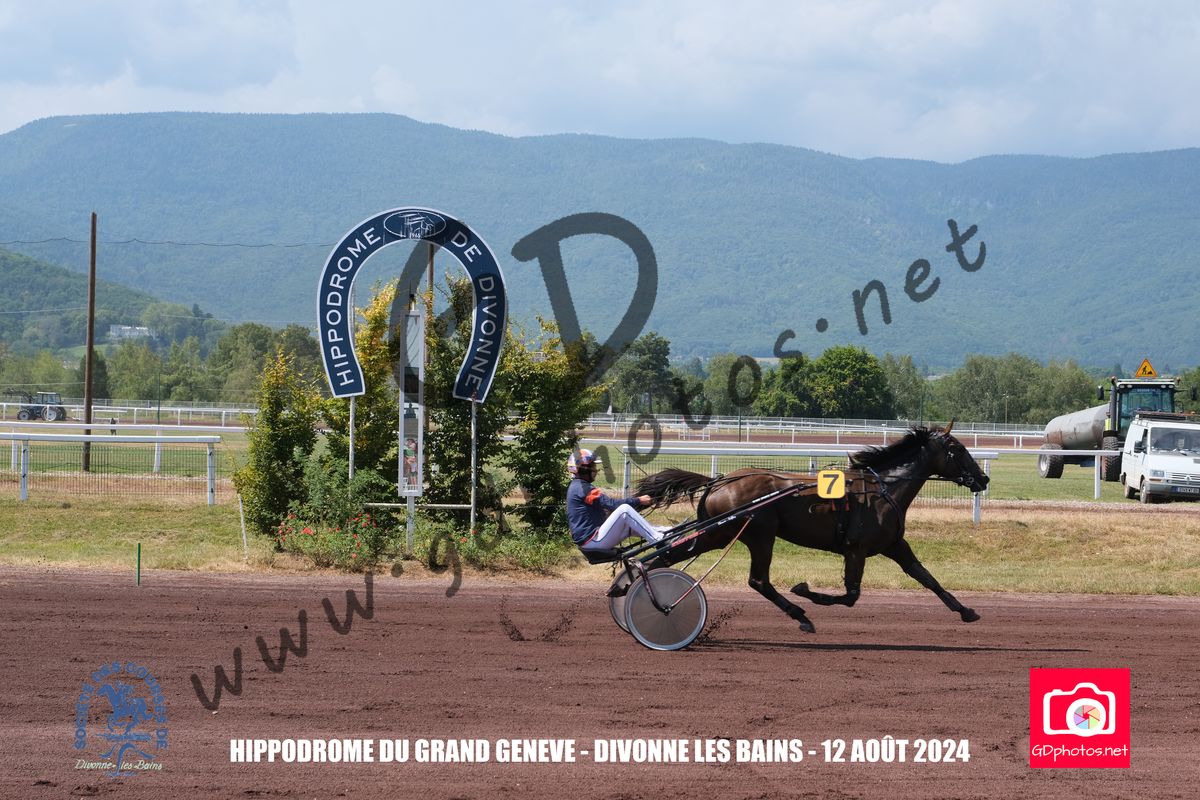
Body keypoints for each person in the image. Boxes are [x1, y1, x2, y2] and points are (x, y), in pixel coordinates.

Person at [566, 449, 665, 552]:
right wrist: (639, 500)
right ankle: (657, 539)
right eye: (593, 466)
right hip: (592, 541)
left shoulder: (578, 486)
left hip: (592, 540)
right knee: (624, 510)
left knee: (630, 525)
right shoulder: (582, 488)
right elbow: (612, 504)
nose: (596, 470)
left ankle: (667, 532)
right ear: (584, 469)